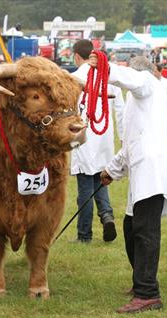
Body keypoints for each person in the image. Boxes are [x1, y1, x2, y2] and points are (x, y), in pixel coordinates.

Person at [96, 55, 167, 313]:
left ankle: (148, 294)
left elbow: (131, 78)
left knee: (145, 231)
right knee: (131, 225)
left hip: (152, 169)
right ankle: (141, 283)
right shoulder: (147, 96)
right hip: (145, 167)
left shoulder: (145, 83)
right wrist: (111, 170)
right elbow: (132, 142)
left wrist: (102, 65)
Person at [70, 39, 124, 243]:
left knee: (85, 188)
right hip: (104, 137)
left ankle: (84, 235)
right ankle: (107, 216)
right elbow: (121, 111)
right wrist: (123, 139)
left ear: (77, 56)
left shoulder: (73, 77)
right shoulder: (110, 77)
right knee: (100, 180)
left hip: (84, 138)